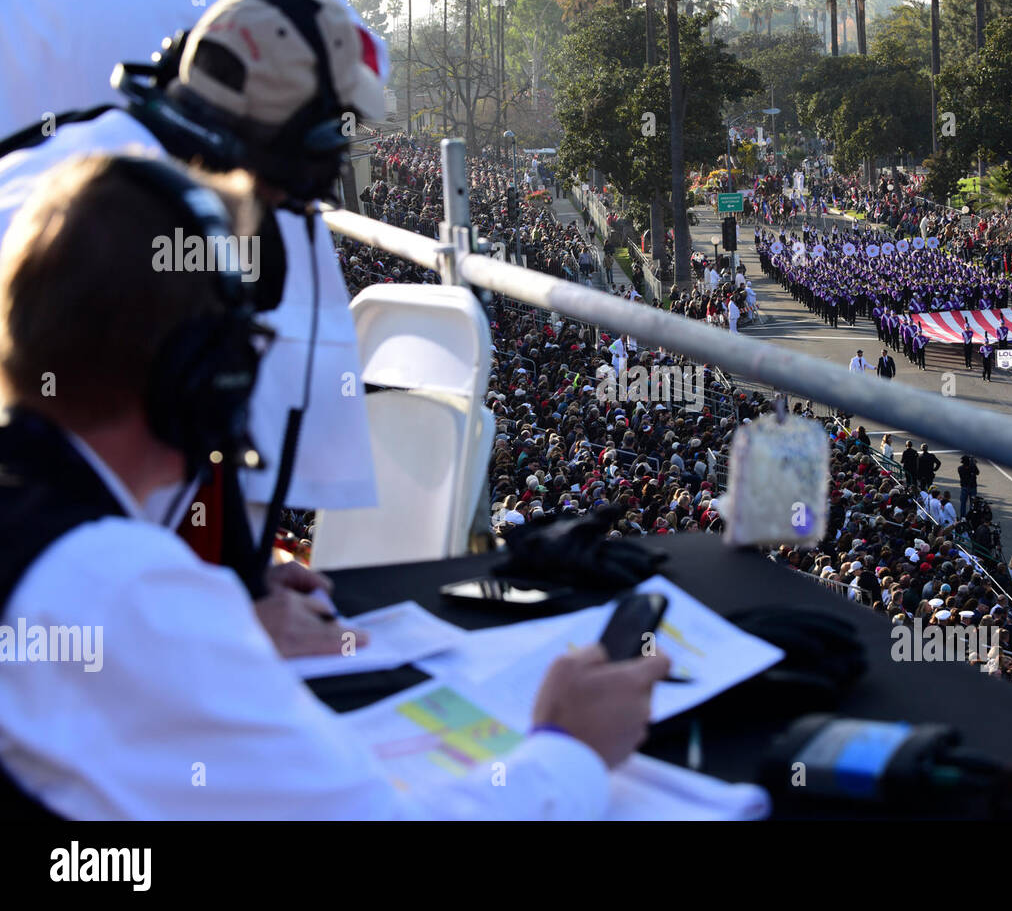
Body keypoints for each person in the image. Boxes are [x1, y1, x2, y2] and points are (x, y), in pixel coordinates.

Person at [0, 153, 670, 820]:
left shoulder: (78, 551)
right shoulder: (116, 587)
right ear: (202, 373)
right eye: (244, 348)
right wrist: (569, 746)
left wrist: (219, 623)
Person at [0, 0, 387, 597]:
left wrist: (244, 581)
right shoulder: (111, 220)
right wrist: (221, 619)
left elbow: (184, 430)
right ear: (299, 146)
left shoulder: (96, 159)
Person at [958, 455, 979, 520]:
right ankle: (971, 517)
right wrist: (974, 465)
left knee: (963, 503)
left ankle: (962, 517)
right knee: (972, 504)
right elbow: (978, 472)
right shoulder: (972, 468)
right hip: (972, 487)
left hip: (964, 487)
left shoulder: (960, 468)